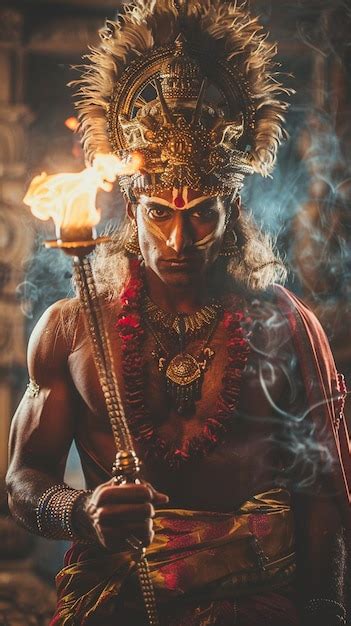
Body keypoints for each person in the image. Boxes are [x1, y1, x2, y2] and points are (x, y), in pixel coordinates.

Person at [6, 1, 350, 625]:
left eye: (202, 213)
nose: (178, 239)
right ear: (130, 213)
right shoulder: (71, 327)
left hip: (257, 601)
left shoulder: (285, 328)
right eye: (159, 213)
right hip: (118, 596)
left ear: (232, 214)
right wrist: (81, 512)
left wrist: (327, 612)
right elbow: (23, 480)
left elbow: (326, 497)